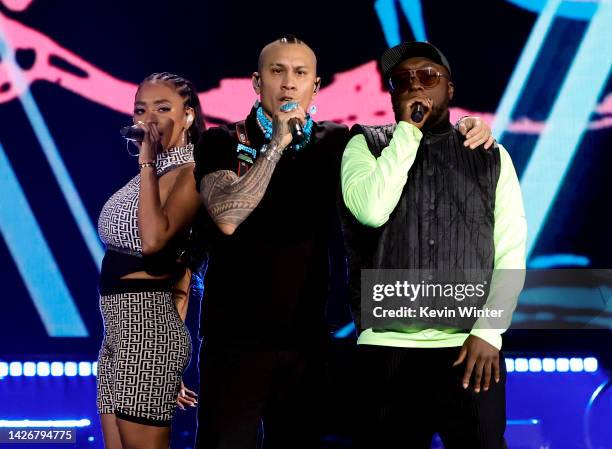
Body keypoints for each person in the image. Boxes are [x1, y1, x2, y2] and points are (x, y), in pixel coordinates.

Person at [193, 35, 493, 449]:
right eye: (276, 71)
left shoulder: (337, 142)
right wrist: (278, 142)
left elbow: (411, 149)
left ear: (315, 86)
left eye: (300, 73)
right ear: (256, 82)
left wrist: (462, 127)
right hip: (236, 340)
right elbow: (226, 217)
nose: (288, 83)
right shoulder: (223, 141)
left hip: (309, 341)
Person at [341, 41, 527, 448]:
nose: (415, 85)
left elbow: (510, 251)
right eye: (402, 80)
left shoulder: (491, 156)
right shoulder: (363, 145)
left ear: (450, 89)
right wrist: (407, 133)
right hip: (387, 348)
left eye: (428, 76)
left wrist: (489, 333)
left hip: (468, 347)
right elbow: (371, 210)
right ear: (391, 94)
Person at [96, 72, 204, 449]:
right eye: (141, 109)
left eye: (162, 108)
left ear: (188, 116)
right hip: (120, 331)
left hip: (146, 333)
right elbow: (183, 280)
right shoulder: (156, 172)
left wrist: (146, 163)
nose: (149, 118)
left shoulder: (188, 172)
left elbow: (154, 241)